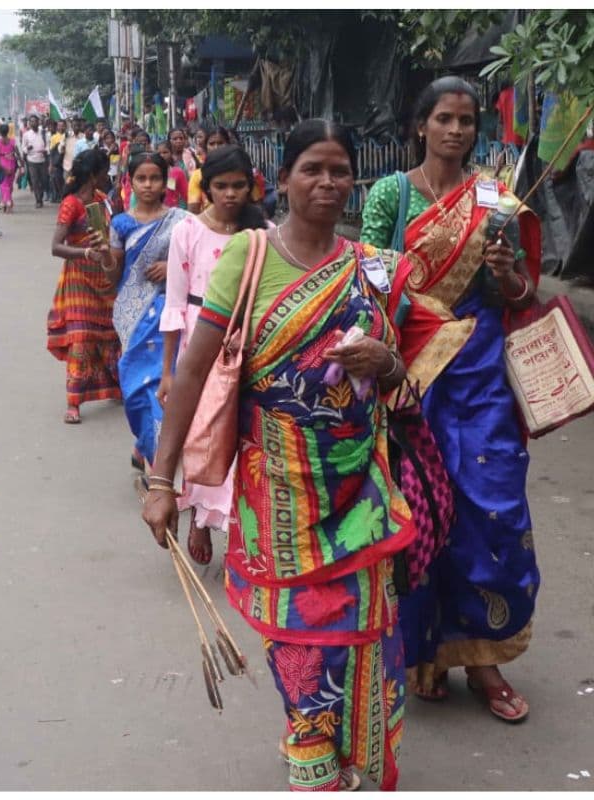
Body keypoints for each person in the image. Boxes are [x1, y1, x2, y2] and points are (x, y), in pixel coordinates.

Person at [143, 120, 412, 791]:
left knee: (365, 634)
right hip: (280, 499)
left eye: (340, 170)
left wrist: (387, 362)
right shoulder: (249, 257)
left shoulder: (371, 266)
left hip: (362, 492)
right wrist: (160, 479)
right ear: (284, 178)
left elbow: (407, 383)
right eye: (313, 169)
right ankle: (312, 757)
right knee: (301, 640)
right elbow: (195, 372)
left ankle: (357, 755)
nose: (328, 183)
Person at [361, 76, 540, 724]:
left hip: (480, 373)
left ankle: (483, 657)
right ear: (421, 125)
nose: (457, 130)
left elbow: (517, 294)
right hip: (412, 372)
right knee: (416, 509)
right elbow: (373, 285)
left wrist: (505, 275)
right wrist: (417, 313)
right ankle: (421, 652)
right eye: (444, 118)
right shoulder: (390, 194)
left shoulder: (494, 199)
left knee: (489, 506)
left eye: (466, 120)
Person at [158, 145, 270, 564]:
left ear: (252, 187)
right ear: (206, 188)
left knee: (240, 433)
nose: (229, 194)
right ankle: (200, 520)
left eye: (238, 186)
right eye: (220, 186)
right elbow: (173, 303)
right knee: (202, 431)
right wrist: (169, 372)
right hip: (197, 336)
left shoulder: (263, 234)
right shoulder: (187, 231)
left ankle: (239, 526)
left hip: (246, 342)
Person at [105, 152, 189, 471]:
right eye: (141, 178)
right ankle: (144, 442)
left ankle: (161, 468)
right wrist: (104, 257)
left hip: (169, 315)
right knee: (135, 390)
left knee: (165, 390)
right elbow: (114, 276)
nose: (148, 185)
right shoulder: (121, 224)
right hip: (132, 318)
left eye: (155, 178)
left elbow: (200, 264)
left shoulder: (181, 221)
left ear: (165, 181)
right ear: (130, 182)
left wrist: (172, 267)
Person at [46, 149, 121, 424]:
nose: (108, 175)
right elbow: (56, 247)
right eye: (104, 171)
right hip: (79, 277)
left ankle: (116, 388)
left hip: (104, 276)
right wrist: (85, 253)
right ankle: (74, 402)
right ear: (93, 175)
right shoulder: (71, 203)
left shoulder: (104, 200)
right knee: (81, 337)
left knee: (110, 335)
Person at [187, 126, 265, 213]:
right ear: (206, 147)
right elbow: (193, 211)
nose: (216, 147)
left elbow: (258, 206)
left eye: (220, 143)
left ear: (228, 144)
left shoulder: (241, 170)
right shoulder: (198, 175)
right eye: (212, 144)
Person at [21, 115, 49, 209]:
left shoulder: (44, 133)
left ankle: (41, 195)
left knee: (43, 180)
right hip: (32, 160)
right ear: (29, 123)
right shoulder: (26, 135)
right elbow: (23, 148)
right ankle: (38, 200)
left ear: (38, 122)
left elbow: (48, 145)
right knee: (35, 181)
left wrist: (46, 150)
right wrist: (27, 149)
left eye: (35, 121)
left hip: (43, 160)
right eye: (32, 121)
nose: (34, 123)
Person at [0, 123, 20, 213]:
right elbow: (17, 152)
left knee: (3, 185)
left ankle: (6, 202)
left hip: (2, 164)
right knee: (9, 185)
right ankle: (8, 202)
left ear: (0, 132)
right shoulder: (12, 141)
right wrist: (21, 164)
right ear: (8, 131)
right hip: (11, 164)